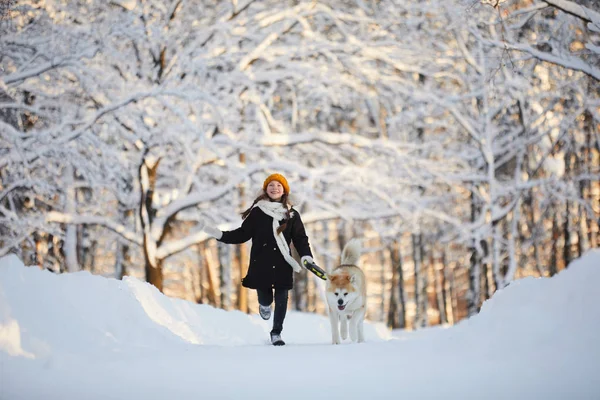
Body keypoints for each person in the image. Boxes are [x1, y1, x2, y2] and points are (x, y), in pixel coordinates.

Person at [200, 173, 324, 346]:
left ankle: (276, 333)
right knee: (265, 298)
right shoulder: (257, 212)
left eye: (278, 186)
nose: (275, 188)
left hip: (283, 262)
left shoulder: (292, 214)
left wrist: (306, 256)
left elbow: (300, 239)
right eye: (271, 185)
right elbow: (242, 234)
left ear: (284, 190)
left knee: (282, 298)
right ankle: (264, 305)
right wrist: (219, 234)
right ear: (266, 189)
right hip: (261, 262)